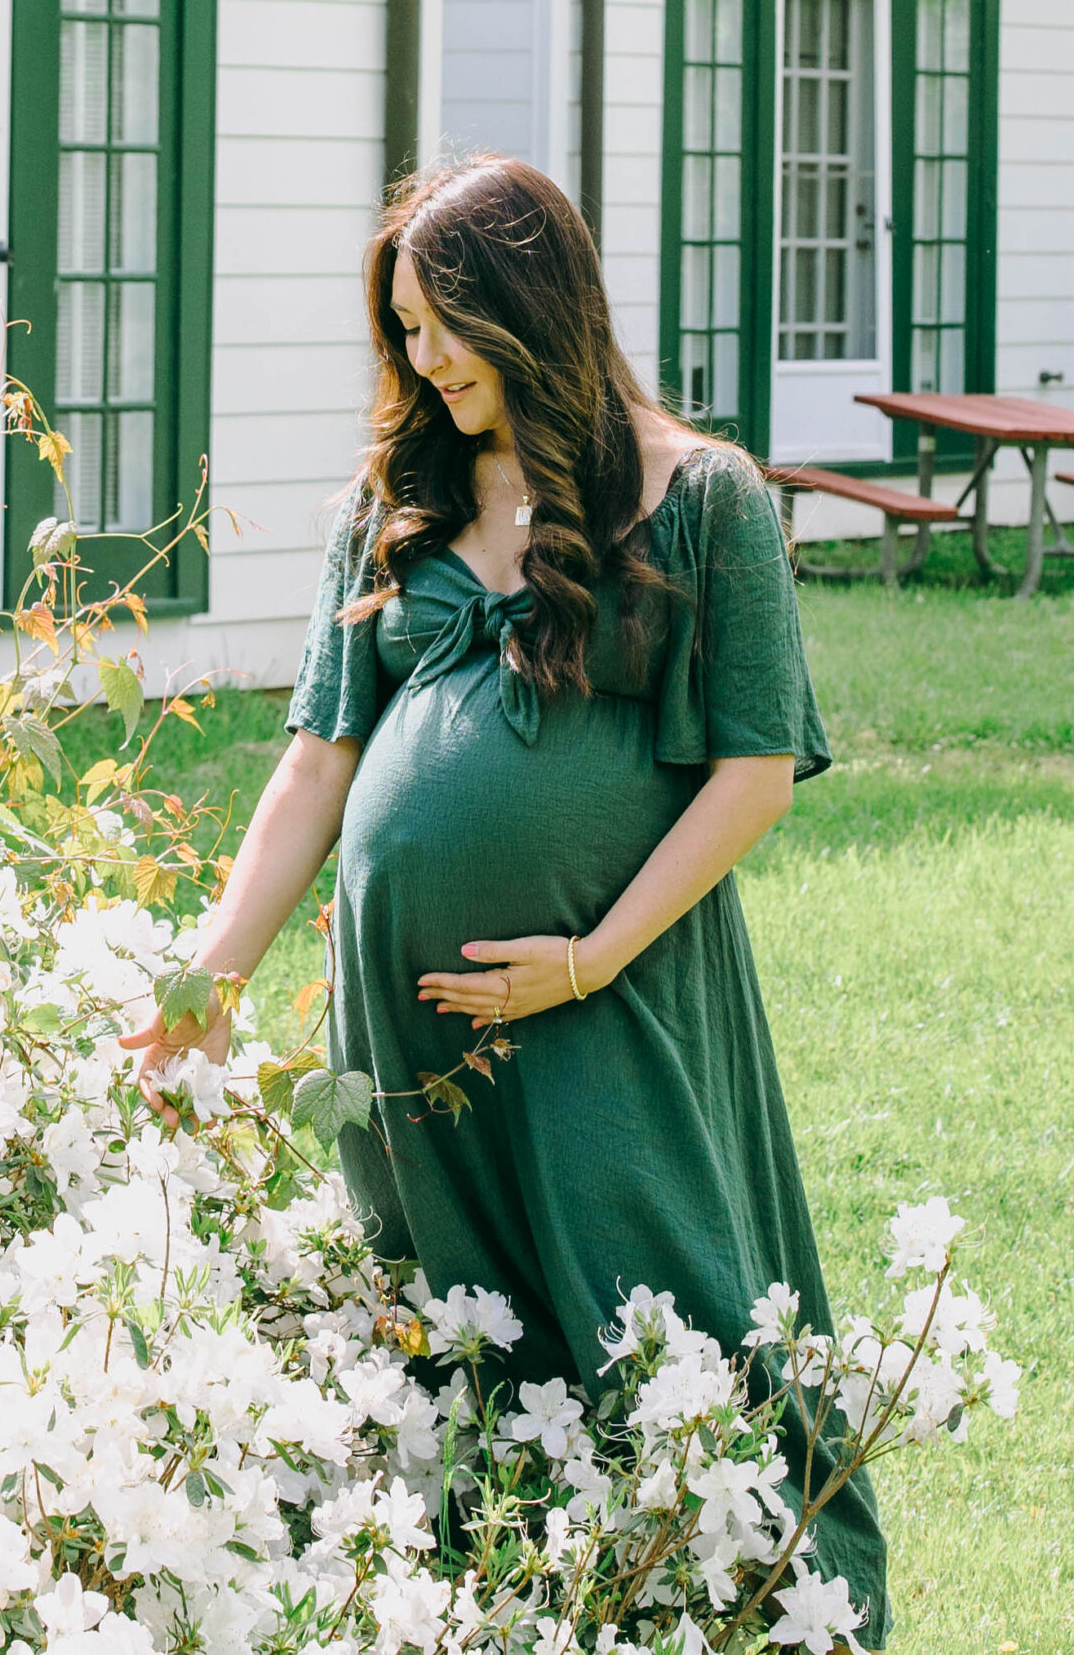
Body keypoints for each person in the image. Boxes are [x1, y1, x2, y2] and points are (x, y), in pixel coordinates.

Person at [121, 155, 889, 1639]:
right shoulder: (400, 501)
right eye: (403, 329)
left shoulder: (702, 499)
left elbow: (753, 774)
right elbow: (313, 768)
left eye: (444, 324)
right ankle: (519, 1604)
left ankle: (740, 1604)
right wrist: (209, 969)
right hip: (411, 1028)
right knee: (464, 1332)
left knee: (662, 1302)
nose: (424, 360)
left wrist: (589, 957)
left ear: (530, 305)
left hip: (613, 1000)